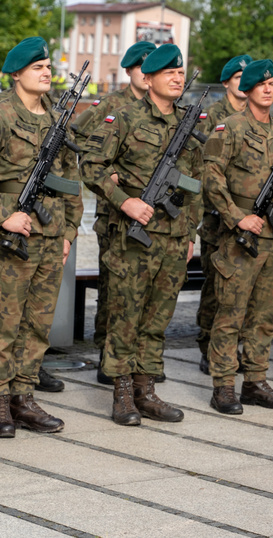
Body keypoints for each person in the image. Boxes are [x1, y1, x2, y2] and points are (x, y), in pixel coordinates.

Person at [81, 44, 202, 426]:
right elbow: (91, 166)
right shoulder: (125, 117)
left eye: (181, 73)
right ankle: (121, 394)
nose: (178, 78)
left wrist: (189, 235)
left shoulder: (188, 123)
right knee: (125, 315)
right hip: (133, 239)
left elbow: (198, 186)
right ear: (148, 79)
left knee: (157, 317)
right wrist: (125, 201)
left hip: (172, 237)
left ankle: (145, 390)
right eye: (169, 73)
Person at [202, 59, 273, 414]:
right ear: (248, 90)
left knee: (266, 315)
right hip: (241, 235)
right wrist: (236, 216)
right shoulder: (231, 129)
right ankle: (223, 385)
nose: (269, 89)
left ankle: (255, 381)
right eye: (262, 84)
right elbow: (210, 176)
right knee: (231, 314)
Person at [0, 37, 83, 437]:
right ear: (16, 73)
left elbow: (71, 180)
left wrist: (68, 232)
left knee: (37, 323)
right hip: (11, 236)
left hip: (50, 236)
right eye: (37, 67)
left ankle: (23, 397)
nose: (47, 72)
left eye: (48, 66)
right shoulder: (1, 113)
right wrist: (5, 216)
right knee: (5, 322)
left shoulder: (57, 117)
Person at [73, 40, 157, 387]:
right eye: (141, 68)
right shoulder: (111, 104)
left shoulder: (161, 109)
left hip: (152, 217)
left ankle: (139, 362)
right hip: (115, 215)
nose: (146, 74)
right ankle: (109, 360)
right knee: (113, 292)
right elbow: (75, 135)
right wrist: (109, 171)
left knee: (146, 292)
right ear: (129, 71)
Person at [195, 54, 252, 375]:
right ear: (227, 82)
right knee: (216, 286)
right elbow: (204, 164)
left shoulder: (257, 116)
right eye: (238, 79)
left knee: (242, 291)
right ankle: (207, 346)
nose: (244, 85)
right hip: (218, 217)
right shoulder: (214, 116)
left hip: (249, 218)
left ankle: (233, 349)